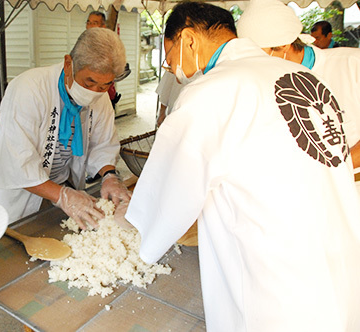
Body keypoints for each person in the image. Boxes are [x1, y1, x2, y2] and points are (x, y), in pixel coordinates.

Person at [124, 2, 360, 331]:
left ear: (189, 39)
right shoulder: (302, 77)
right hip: (341, 266)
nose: (168, 65)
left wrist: (132, 230)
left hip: (279, 288)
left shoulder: (213, 90)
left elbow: (167, 195)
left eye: (169, 52)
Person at [0, 28, 131, 228]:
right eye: (89, 82)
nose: (95, 92)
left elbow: (102, 144)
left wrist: (110, 176)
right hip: (24, 195)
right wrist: (63, 196)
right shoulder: (28, 89)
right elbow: (19, 163)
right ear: (68, 64)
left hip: (63, 186)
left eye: (104, 86)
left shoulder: (100, 98)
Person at [237, 0, 360, 169]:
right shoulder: (261, 81)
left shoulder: (352, 63)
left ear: (283, 44)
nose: (254, 61)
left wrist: (338, 171)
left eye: (258, 53)